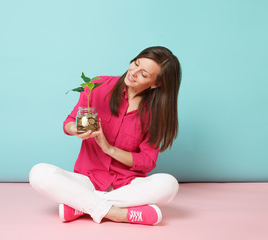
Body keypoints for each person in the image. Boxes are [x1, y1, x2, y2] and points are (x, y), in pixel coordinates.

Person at [29, 46, 181, 225]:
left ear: (156, 84)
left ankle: (82, 205)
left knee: (169, 184)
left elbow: (147, 161)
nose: (133, 72)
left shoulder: (156, 113)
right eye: (136, 63)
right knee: (39, 173)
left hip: (127, 186)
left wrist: (108, 148)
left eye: (143, 74)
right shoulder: (97, 86)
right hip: (87, 180)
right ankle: (118, 213)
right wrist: (75, 129)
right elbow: (69, 123)